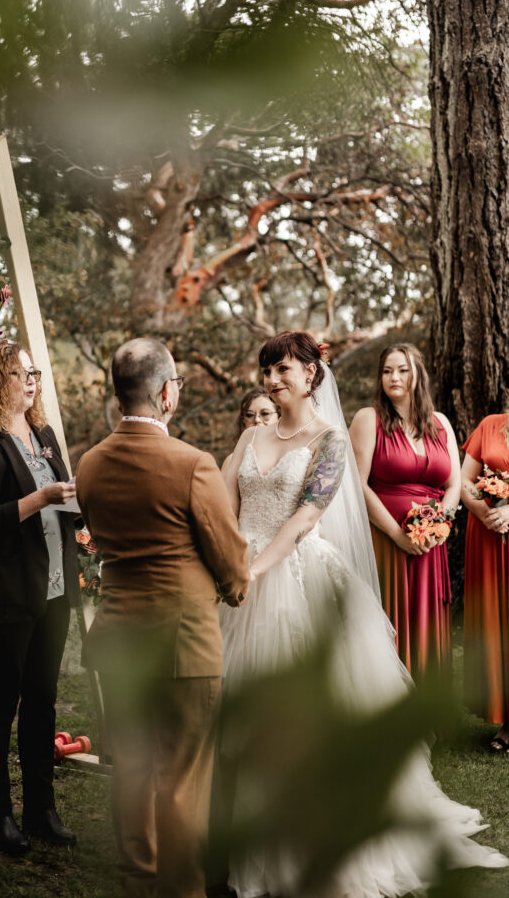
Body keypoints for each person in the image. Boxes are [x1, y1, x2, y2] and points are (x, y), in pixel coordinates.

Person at [220, 331, 507, 898]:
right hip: (241, 578)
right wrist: (230, 563)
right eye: (266, 371)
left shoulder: (328, 440)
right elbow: (225, 504)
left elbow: (306, 516)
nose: (272, 380)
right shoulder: (251, 435)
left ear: (310, 374)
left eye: (282, 370)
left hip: (296, 578)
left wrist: (257, 571)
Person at [75, 337, 250, 898]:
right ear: (167, 392)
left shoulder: (91, 464)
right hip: (185, 644)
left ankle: (136, 883)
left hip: (119, 640)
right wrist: (234, 587)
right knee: (182, 780)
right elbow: (230, 559)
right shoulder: (192, 464)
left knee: (130, 771)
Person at [0, 341, 79, 855]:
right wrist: (43, 497)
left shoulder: (44, 433)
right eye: (20, 373)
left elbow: (62, 502)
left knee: (43, 703)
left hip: (53, 588)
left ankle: (41, 810)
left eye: (34, 373)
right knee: (1, 703)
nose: (31, 381)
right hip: (3, 591)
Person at [350, 344, 460, 679]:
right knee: (390, 620)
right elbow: (357, 485)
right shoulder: (368, 419)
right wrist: (398, 535)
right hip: (386, 542)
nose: (394, 377)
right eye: (387, 371)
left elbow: (453, 485)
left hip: (429, 545)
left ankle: (426, 715)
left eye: (402, 370)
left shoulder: (440, 423)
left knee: (426, 623)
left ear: (417, 375)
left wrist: (437, 526)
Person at [460, 413, 509, 752]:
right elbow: (463, 480)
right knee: (497, 624)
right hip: (488, 537)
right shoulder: (490, 425)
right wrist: (485, 513)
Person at [221, 388, 280, 474]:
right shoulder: (231, 461)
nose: (256, 419)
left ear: (279, 416)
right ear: (243, 421)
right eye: (249, 415)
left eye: (265, 413)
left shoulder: (291, 456)